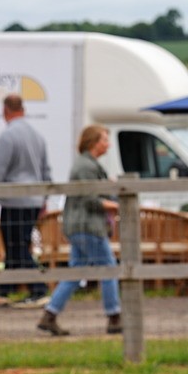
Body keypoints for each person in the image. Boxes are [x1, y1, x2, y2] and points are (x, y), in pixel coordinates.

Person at [37, 125, 121, 336]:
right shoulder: (86, 167)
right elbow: (91, 199)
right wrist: (118, 205)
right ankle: (114, 316)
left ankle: (50, 314)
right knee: (109, 268)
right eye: (104, 140)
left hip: (79, 226)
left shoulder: (87, 165)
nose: (108, 144)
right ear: (93, 142)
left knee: (76, 271)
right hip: (88, 226)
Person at [0, 94, 51, 305]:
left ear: (5, 110)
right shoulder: (38, 136)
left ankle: (39, 288)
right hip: (34, 199)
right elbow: (45, 170)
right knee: (18, 244)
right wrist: (45, 199)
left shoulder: (8, 136)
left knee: (16, 245)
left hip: (14, 201)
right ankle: (5, 287)